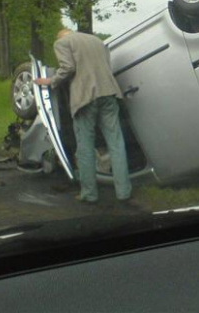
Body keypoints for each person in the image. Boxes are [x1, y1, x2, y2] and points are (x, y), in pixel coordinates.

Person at [34, 28, 132, 204]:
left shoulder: (62, 43)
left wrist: (51, 81)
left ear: (61, 37)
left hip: (85, 98)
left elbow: (68, 68)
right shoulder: (97, 41)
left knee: (85, 147)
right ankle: (124, 192)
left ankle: (89, 193)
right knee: (116, 143)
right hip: (109, 93)